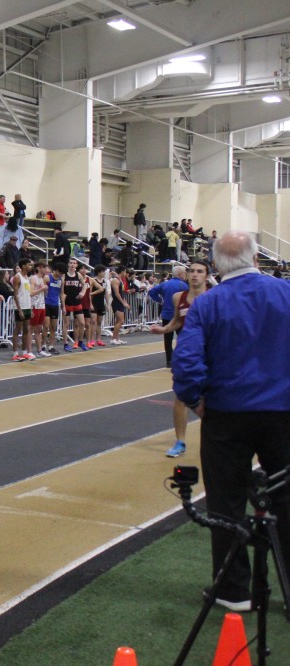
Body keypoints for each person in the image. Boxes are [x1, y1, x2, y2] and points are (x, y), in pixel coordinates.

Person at [172, 232, 290, 611]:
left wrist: (195, 400)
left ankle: (233, 590)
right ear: (256, 258)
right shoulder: (286, 294)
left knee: (226, 502)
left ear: (216, 265)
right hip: (282, 413)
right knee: (287, 498)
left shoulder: (208, 303)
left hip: (226, 415)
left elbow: (185, 362)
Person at [150, 260, 209, 458]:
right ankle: (180, 442)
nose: (195, 274)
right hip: (187, 355)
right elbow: (177, 320)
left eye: (199, 271)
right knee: (180, 397)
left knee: (212, 397)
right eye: (191, 271)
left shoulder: (214, 296)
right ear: (186, 275)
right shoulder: (178, 297)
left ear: (206, 276)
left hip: (210, 354)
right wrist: (163, 329)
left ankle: (216, 438)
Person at [148, 264, 187, 368]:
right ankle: (182, 358)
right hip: (179, 315)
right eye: (184, 273)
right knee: (183, 338)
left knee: (168, 339)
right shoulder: (183, 285)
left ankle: (169, 360)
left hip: (166, 314)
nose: (185, 275)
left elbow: (151, 291)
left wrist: (160, 300)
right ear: (180, 274)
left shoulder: (165, 284)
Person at [62, 257, 87, 352]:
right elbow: (62, 292)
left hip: (77, 302)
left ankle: (80, 341)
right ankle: (65, 344)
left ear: (76, 265)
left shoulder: (78, 275)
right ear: (68, 264)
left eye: (74, 263)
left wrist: (83, 292)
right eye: (71, 263)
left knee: (82, 323)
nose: (72, 265)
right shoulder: (64, 276)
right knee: (66, 324)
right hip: (67, 302)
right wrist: (63, 305)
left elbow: (85, 285)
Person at [11, 258, 34, 362]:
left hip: (27, 306)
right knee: (17, 329)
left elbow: (27, 293)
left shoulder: (27, 277)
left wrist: (31, 308)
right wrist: (19, 309)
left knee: (26, 329)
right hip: (20, 307)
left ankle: (24, 352)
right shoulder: (17, 277)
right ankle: (15, 353)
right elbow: (15, 294)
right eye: (29, 265)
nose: (31, 266)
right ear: (23, 266)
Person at [42, 262, 64, 355]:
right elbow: (42, 289)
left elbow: (61, 293)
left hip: (55, 305)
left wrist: (63, 305)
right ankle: (43, 345)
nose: (61, 275)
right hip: (46, 304)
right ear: (56, 270)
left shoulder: (61, 280)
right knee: (46, 326)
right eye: (60, 273)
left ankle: (51, 346)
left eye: (62, 274)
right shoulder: (47, 277)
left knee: (53, 327)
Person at [109, 267, 132, 344]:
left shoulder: (120, 280)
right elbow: (117, 294)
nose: (126, 274)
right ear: (122, 272)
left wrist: (125, 302)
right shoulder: (115, 280)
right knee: (120, 321)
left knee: (119, 321)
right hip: (116, 302)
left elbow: (121, 294)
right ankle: (113, 339)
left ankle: (116, 338)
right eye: (125, 272)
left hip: (119, 302)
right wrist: (123, 302)